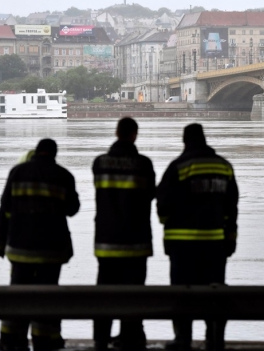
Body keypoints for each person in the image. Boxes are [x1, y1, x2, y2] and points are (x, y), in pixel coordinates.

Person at [157, 123, 239, 351]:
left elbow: (162, 203)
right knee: (214, 292)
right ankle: (214, 339)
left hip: (182, 246)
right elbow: (232, 207)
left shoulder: (178, 167)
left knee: (183, 293)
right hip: (215, 244)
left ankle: (183, 338)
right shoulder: (224, 167)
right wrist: (230, 238)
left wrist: (168, 227)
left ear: (185, 141)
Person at [0, 138, 80, 351]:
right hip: (51, 252)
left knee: (16, 296)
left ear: (36, 152)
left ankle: (11, 341)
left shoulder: (17, 173)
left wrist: (0, 243)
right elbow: (72, 208)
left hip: (19, 249)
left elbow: (5, 210)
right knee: (48, 297)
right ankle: (45, 341)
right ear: (54, 154)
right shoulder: (63, 176)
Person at [92, 117, 156, 351]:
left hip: (106, 241)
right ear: (134, 135)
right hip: (136, 242)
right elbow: (150, 195)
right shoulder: (144, 164)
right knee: (134, 293)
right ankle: (130, 336)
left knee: (105, 293)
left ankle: (101, 338)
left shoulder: (100, 163)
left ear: (117, 132)